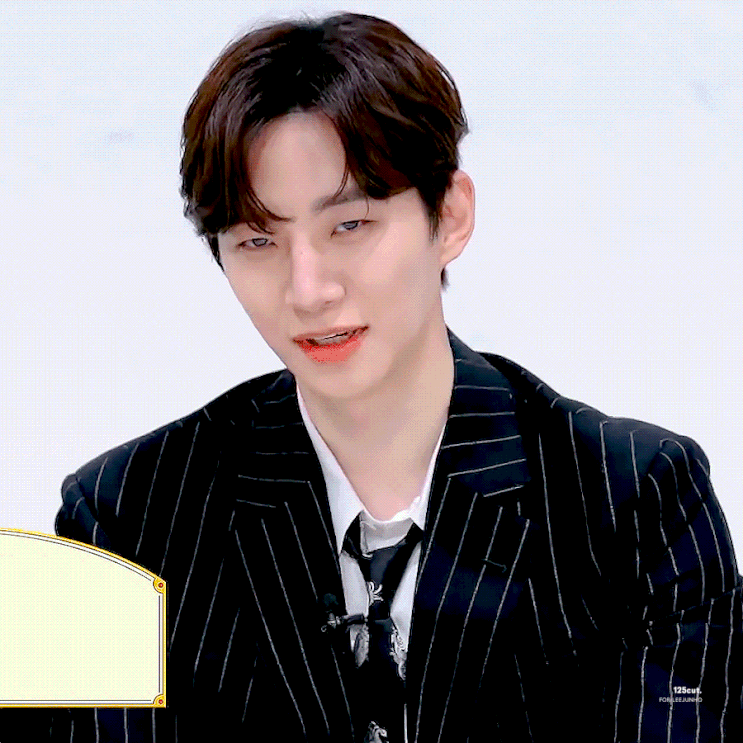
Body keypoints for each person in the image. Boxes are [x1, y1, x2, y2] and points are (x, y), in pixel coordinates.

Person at [7, 11, 741, 742]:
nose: (307, 289)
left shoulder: (635, 499)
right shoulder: (122, 519)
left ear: (449, 215)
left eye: (349, 225)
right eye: (258, 240)